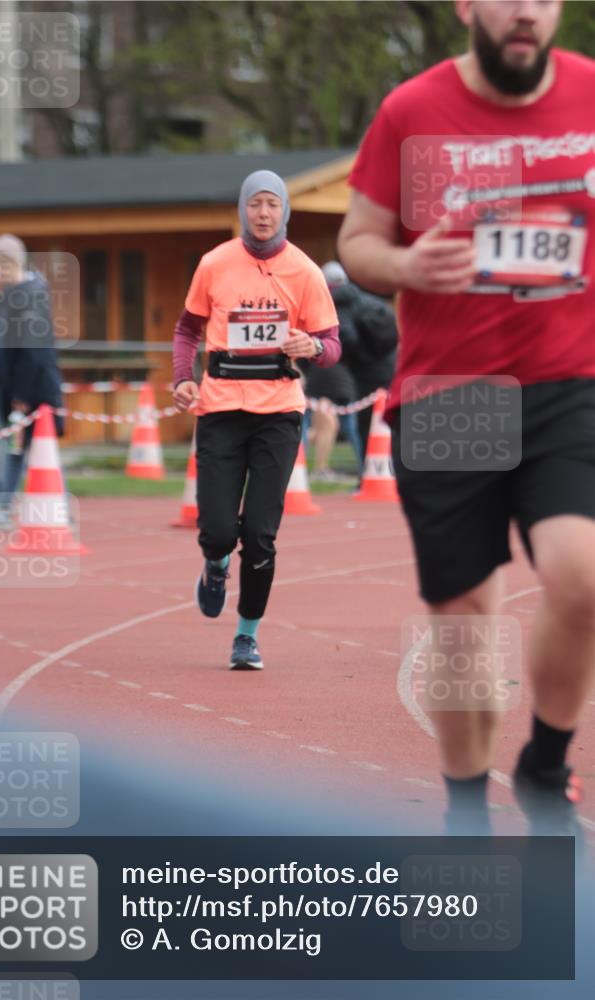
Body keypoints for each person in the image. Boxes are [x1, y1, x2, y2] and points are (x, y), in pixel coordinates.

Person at [338, 0, 595, 834]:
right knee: (463, 637)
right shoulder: (413, 112)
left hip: (568, 380)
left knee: (581, 575)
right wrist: (406, 262)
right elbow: (357, 242)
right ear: (466, 7)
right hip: (452, 394)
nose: (525, 11)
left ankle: (545, 762)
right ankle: (462, 815)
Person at [172, 170, 340, 670]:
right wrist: (183, 377)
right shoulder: (214, 263)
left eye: (272, 204)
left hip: (278, 412)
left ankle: (246, 636)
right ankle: (215, 562)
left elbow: (333, 346)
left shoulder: (305, 271)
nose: (263, 214)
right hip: (221, 408)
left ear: (284, 210)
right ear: (242, 209)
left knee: (261, 535)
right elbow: (186, 330)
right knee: (219, 530)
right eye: (255, 204)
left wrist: (311, 346)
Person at [0, 234, 63, 525]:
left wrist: (21, 395)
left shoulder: (30, 297)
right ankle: (19, 507)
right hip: (16, 391)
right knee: (21, 450)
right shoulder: (8, 297)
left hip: (32, 392)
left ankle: (8, 508)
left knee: (29, 449)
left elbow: (33, 352)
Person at [321, 261, 398, 459]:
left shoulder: (337, 303)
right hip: (392, 365)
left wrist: (344, 356)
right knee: (392, 424)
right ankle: (391, 473)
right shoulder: (366, 299)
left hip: (368, 374)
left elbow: (348, 337)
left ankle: (369, 474)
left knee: (366, 426)